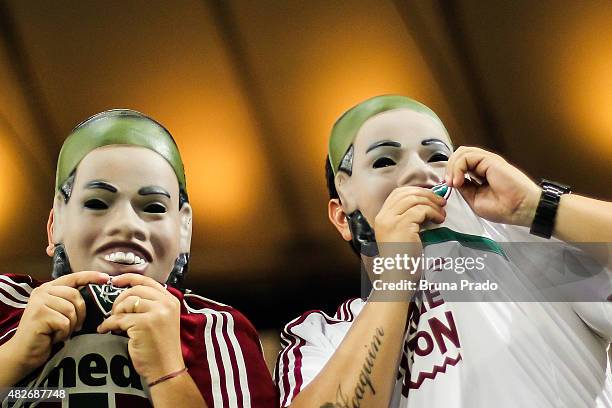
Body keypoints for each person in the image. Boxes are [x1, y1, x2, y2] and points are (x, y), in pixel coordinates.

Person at [275, 95, 612, 407]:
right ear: (342, 216)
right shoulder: (321, 336)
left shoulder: (528, 250)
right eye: (384, 161)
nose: (420, 172)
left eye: (437, 156)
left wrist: (538, 206)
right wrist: (395, 278)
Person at [0, 110, 277, 407]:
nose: (127, 225)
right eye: (97, 203)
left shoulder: (219, 332)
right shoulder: (6, 303)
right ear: (56, 224)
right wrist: (12, 358)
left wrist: (169, 374)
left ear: (184, 229)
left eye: (154, 206)